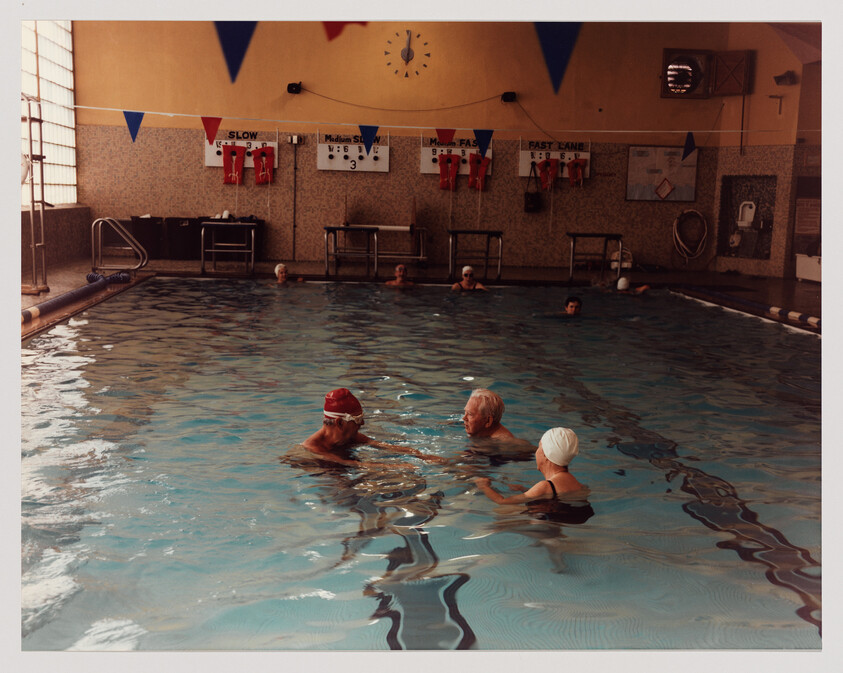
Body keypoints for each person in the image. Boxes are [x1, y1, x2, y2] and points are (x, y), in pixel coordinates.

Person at [302, 388, 446, 467]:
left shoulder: (349, 436)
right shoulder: (312, 449)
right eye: (357, 419)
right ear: (339, 423)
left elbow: (378, 444)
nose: (362, 424)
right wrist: (397, 468)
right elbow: (349, 464)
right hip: (325, 474)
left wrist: (419, 454)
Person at [473, 427, 585, 504]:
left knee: (501, 514)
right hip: (566, 512)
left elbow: (503, 501)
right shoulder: (576, 483)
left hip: (547, 520)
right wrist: (525, 490)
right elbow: (551, 494)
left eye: (539, 447)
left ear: (546, 454)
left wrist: (484, 487)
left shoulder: (545, 486)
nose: (536, 452)